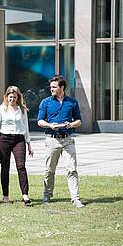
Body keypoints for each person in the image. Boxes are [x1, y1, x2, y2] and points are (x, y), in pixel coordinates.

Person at [37, 75, 84, 208]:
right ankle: (47, 195)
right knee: (49, 170)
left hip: (68, 140)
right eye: (51, 87)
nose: (51, 89)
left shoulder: (72, 102)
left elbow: (79, 121)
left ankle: (75, 198)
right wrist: (50, 125)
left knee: (72, 169)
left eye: (54, 87)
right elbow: (40, 121)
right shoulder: (45, 102)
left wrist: (71, 124)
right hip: (52, 140)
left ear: (62, 87)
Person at [0, 86, 33, 205]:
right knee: (5, 168)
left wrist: (29, 143)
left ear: (18, 97)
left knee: (21, 166)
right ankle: (5, 195)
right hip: (4, 138)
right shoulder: (1, 109)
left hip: (19, 139)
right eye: (10, 97)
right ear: (6, 97)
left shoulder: (22, 109)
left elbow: (26, 127)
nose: (12, 99)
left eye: (15, 97)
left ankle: (25, 194)